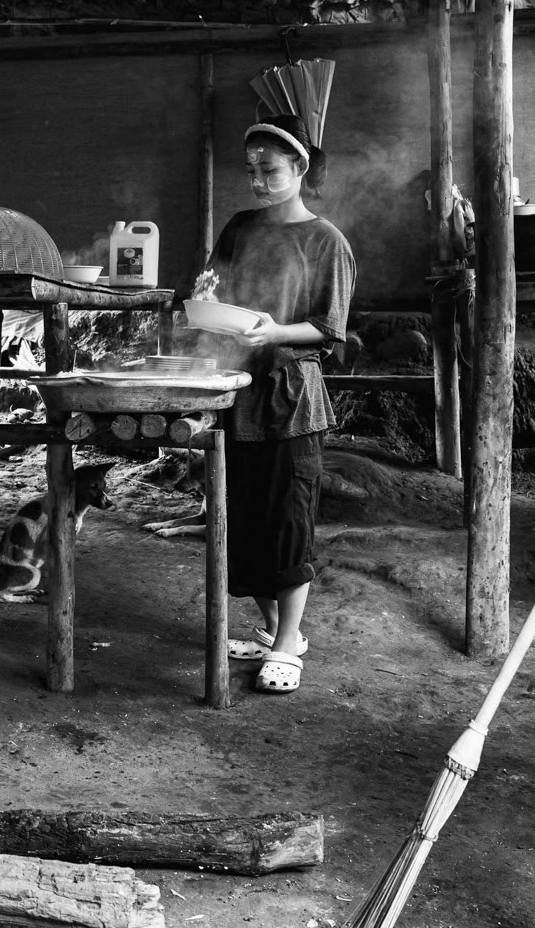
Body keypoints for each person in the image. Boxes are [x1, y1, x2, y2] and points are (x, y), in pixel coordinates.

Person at [194, 114, 355, 695]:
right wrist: (204, 297)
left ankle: (289, 642)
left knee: (287, 521)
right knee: (242, 520)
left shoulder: (325, 240)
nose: (258, 181)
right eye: (251, 171)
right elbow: (213, 286)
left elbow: (329, 327)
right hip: (236, 390)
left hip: (290, 399)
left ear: (299, 168)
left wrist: (275, 331)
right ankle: (272, 630)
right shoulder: (239, 227)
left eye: (270, 170)